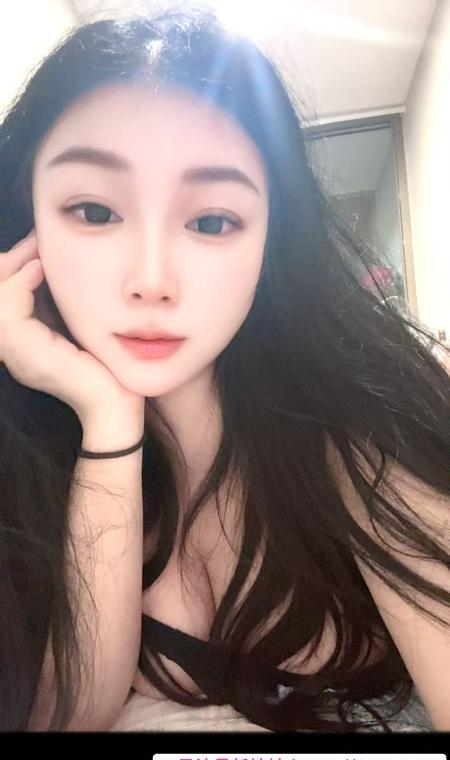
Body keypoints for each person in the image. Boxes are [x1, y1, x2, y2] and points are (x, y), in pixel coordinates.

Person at [0, 3, 449, 734]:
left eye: (211, 220)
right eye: (93, 211)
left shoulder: (366, 412)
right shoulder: (27, 449)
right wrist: (107, 423)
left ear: (270, 240)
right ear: (30, 225)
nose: (151, 280)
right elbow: (69, 714)